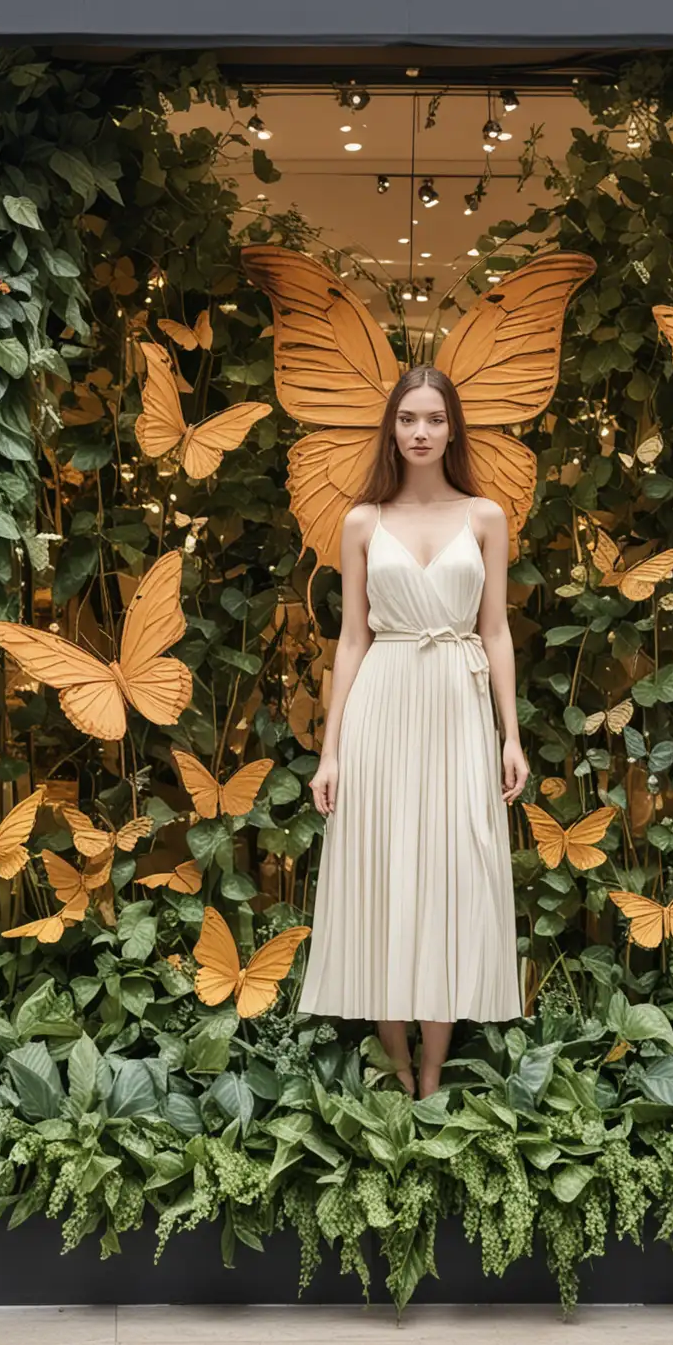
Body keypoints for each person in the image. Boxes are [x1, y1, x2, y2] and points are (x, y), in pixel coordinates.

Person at [298, 364, 527, 1097]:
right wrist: (330, 752)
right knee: (384, 872)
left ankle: (433, 1073)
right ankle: (399, 1073)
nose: (420, 431)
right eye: (407, 419)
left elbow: (495, 632)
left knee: (451, 870)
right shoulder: (362, 522)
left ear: (452, 427)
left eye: (433, 418)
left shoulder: (486, 516)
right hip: (383, 703)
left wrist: (510, 735)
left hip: (458, 710)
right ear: (391, 430)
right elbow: (351, 639)